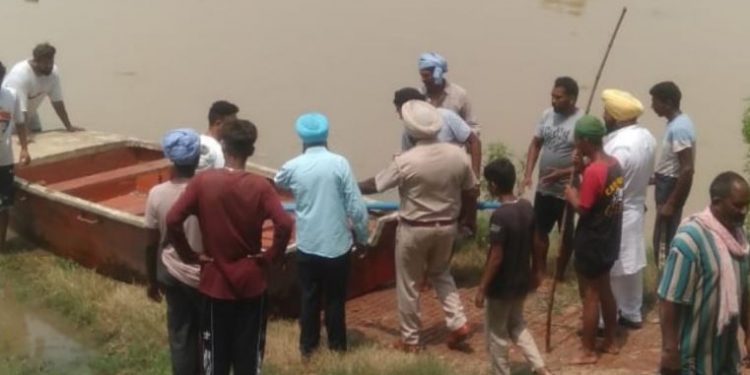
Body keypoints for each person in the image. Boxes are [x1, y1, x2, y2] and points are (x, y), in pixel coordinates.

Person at [167, 119, 293, 375]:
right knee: (248, 358)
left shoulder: (203, 183)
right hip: (251, 282)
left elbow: (172, 220)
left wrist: (189, 255)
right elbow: (284, 223)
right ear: (251, 151)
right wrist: (271, 257)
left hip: (215, 282)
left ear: (223, 149)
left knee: (214, 357)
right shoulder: (260, 186)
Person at [359, 100, 475, 352]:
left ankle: (410, 339)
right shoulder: (459, 155)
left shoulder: (406, 161)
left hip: (414, 228)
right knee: (442, 274)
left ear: (411, 131)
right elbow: (470, 190)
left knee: (408, 283)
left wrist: (350, 185)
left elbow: (376, 185)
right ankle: (458, 322)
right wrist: (467, 220)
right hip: (447, 226)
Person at [274, 112, 369, 358]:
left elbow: (279, 180)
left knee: (309, 297)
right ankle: (337, 347)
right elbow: (356, 206)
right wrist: (362, 237)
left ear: (302, 138)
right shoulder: (340, 164)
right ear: (326, 136)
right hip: (337, 244)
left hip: (308, 244)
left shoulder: (293, 166)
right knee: (336, 299)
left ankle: (308, 347)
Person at [658, 172, 750, 375]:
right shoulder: (690, 241)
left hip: (726, 357)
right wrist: (669, 350)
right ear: (717, 202)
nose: (743, 212)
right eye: (737, 205)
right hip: (692, 360)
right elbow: (669, 300)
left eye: (747, 205)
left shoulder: (739, 240)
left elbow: (742, 289)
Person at [474, 158, 551, 375]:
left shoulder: (499, 216)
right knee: (517, 324)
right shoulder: (527, 207)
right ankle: (540, 367)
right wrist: (538, 270)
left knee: (497, 335)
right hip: (521, 281)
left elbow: (496, 257)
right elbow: (538, 242)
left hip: (501, 287)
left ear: (494, 186)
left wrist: (482, 288)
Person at [563, 115, 623, 364]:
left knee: (590, 294)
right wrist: (580, 170)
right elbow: (599, 192)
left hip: (592, 240)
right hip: (610, 237)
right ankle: (610, 340)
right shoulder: (613, 164)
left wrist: (570, 193)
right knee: (604, 288)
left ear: (586, 141)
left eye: (578, 140)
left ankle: (587, 349)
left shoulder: (594, 172)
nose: (576, 144)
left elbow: (583, 207)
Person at [145, 129, 203, 375]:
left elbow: (150, 242)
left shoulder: (157, 194)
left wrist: (151, 280)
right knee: (207, 333)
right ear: (198, 159)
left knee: (181, 334)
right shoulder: (208, 190)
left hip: (172, 272)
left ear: (170, 159)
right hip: (206, 275)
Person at [601, 89, 657, 329]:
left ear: (614, 116)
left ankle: (607, 318)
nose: (603, 117)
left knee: (612, 264)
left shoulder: (618, 146)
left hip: (618, 207)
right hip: (636, 203)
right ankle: (632, 311)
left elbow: (611, 182)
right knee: (632, 260)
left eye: (606, 113)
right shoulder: (646, 136)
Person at [521, 76, 583, 277]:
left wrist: (562, 173)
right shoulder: (547, 115)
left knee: (565, 233)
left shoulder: (581, 121)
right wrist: (528, 174)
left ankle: (560, 274)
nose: (553, 101)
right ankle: (539, 270)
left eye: (559, 97)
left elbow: (588, 161)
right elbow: (536, 144)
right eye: (552, 96)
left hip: (567, 189)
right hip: (544, 186)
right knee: (539, 229)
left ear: (572, 99)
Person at [650, 81, 696, 269]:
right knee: (660, 238)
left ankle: (665, 290)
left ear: (668, 103)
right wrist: (654, 178)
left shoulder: (680, 128)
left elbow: (687, 168)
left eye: (655, 101)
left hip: (670, 190)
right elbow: (672, 164)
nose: (652, 105)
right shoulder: (674, 124)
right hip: (664, 184)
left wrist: (671, 203)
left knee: (663, 243)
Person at [394, 87, 481, 179]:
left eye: (399, 109)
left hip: (455, 175)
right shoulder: (407, 133)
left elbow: (474, 141)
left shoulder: (446, 116)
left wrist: (475, 176)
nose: (399, 115)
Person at [1, 43, 82, 134]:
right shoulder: (20, 76)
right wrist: (25, 133)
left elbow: (57, 102)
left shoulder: (53, 73)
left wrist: (68, 126)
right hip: (9, 115)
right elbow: (19, 110)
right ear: (36, 61)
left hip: (30, 112)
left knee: (37, 134)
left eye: (51, 62)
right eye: (45, 64)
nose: (49, 66)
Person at [0, 61, 31, 252]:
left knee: (3, 205)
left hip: (4, 160)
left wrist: (24, 148)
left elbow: (20, 123)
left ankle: (1, 245)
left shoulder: (11, 96)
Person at [418, 52, 480, 135]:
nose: (422, 79)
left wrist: (463, 142)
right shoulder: (418, 95)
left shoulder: (459, 95)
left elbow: (473, 126)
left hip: (454, 146)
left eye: (426, 75)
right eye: (421, 75)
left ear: (438, 74)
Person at [198, 100, 238, 171]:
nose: (234, 128)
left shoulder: (196, 142)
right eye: (231, 124)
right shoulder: (215, 150)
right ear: (218, 123)